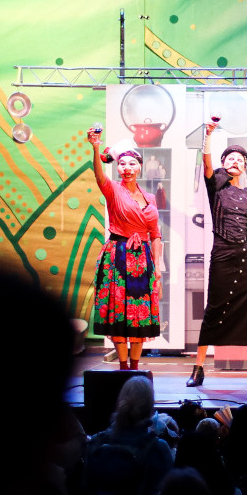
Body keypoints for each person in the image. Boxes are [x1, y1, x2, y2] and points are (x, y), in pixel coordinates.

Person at [188, 120, 247, 387]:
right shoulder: (216, 187)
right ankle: (198, 368)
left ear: (245, 167)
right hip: (222, 255)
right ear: (223, 163)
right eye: (230, 158)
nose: (235, 161)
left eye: (240, 159)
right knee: (214, 309)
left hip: (246, 257)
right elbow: (206, 163)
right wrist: (208, 135)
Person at [87, 128, 163, 370]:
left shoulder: (150, 198)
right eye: (122, 164)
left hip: (143, 259)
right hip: (118, 255)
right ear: (117, 168)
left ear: (139, 167)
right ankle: (122, 367)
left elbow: (156, 235)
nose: (127, 168)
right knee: (119, 309)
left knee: (140, 312)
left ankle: (135, 367)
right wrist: (96, 148)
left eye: (132, 164)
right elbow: (99, 174)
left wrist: (158, 267)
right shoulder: (113, 190)